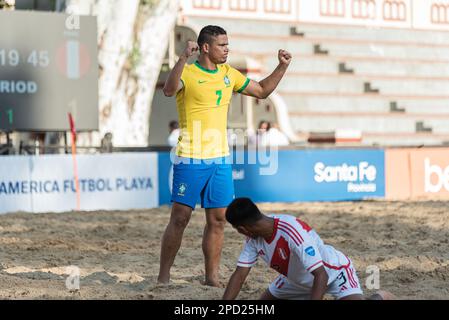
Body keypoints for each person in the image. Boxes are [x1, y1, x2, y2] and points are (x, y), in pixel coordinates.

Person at [158, 25, 292, 287]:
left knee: (218, 220)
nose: (227, 49)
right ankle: (163, 277)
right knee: (180, 218)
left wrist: (282, 66)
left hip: (220, 159)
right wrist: (182, 58)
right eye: (222, 45)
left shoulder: (229, 74)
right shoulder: (188, 71)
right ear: (206, 47)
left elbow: (262, 90)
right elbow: (168, 90)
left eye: (228, 44)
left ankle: (212, 278)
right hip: (190, 158)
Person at [222, 198, 395, 300]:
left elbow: (321, 275)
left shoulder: (290, 231)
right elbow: (239, 275)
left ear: (242, 228)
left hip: (334, 272)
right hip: (294, 280)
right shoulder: (252, 238)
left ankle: (382, 296)